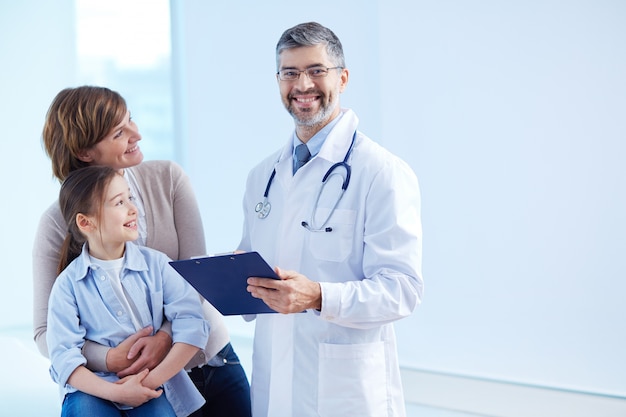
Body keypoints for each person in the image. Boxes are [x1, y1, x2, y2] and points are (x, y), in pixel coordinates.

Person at [239, 22, 423, 417]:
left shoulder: (381, 172)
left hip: (346, 394)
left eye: (316, 70)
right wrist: (233, 279)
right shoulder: (262, 178)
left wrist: (319, 296)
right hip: (275, 388)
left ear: (342, 77)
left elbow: (402, 289)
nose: (302, 84)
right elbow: (254, 273)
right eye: (290, 73)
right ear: (278, 81)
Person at [33, 86, 251, 417]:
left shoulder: (169, 179)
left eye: (130, 119)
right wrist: (110, 359)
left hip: (208, 362)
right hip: (124, 388)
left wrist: (164, 337)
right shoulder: (55, 223)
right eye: (119, 131)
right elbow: (46, 332)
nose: (137, 133)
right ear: (85, 152)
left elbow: (197, 279)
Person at [48, 165, 209, 416]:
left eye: (130, 198)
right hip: (92, 389)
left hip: (153, 383)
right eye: (119, 202)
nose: (133, 208)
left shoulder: (159, 265)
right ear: (85, 222)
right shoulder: (67, 285)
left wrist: (148, 382)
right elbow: (63, 357)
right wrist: (118, 392)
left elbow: (192, 325)